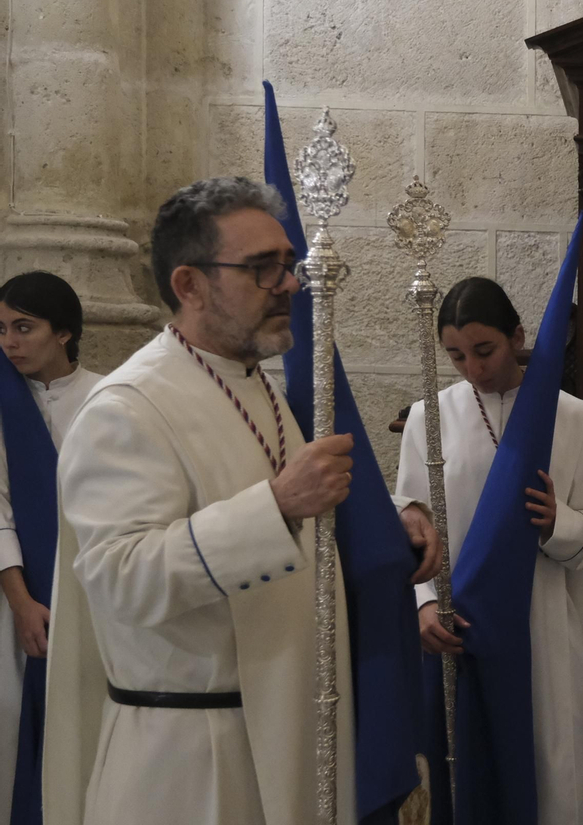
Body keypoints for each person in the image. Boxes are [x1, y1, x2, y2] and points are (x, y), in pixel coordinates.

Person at [42, 177, 440, 825]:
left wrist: (387, 529)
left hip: (281, 733)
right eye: (262, 268)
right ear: (189, 284)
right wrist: (278, 506)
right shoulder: (125, 408)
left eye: (286, 264)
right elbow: (121, 580)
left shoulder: (254, 383)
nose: (289, 283)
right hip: (193, 762)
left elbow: (279, 524)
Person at [396, 276, 583, 825]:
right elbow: (411, 526)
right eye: (456, 355)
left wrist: (555, 525)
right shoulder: (428, 416)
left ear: (517, 335)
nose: (473, 367)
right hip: (458, 625)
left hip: (542, 622)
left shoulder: (572, 417)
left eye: (485, 350)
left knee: (550, 767)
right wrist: (424, 603)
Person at [0, 272, 102, 821]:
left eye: (23, 327)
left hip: (92, 589)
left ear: (63, 333)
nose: (8, 342)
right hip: (16, 599)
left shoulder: (108, 396)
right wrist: (21, 603)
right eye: (0, 329)